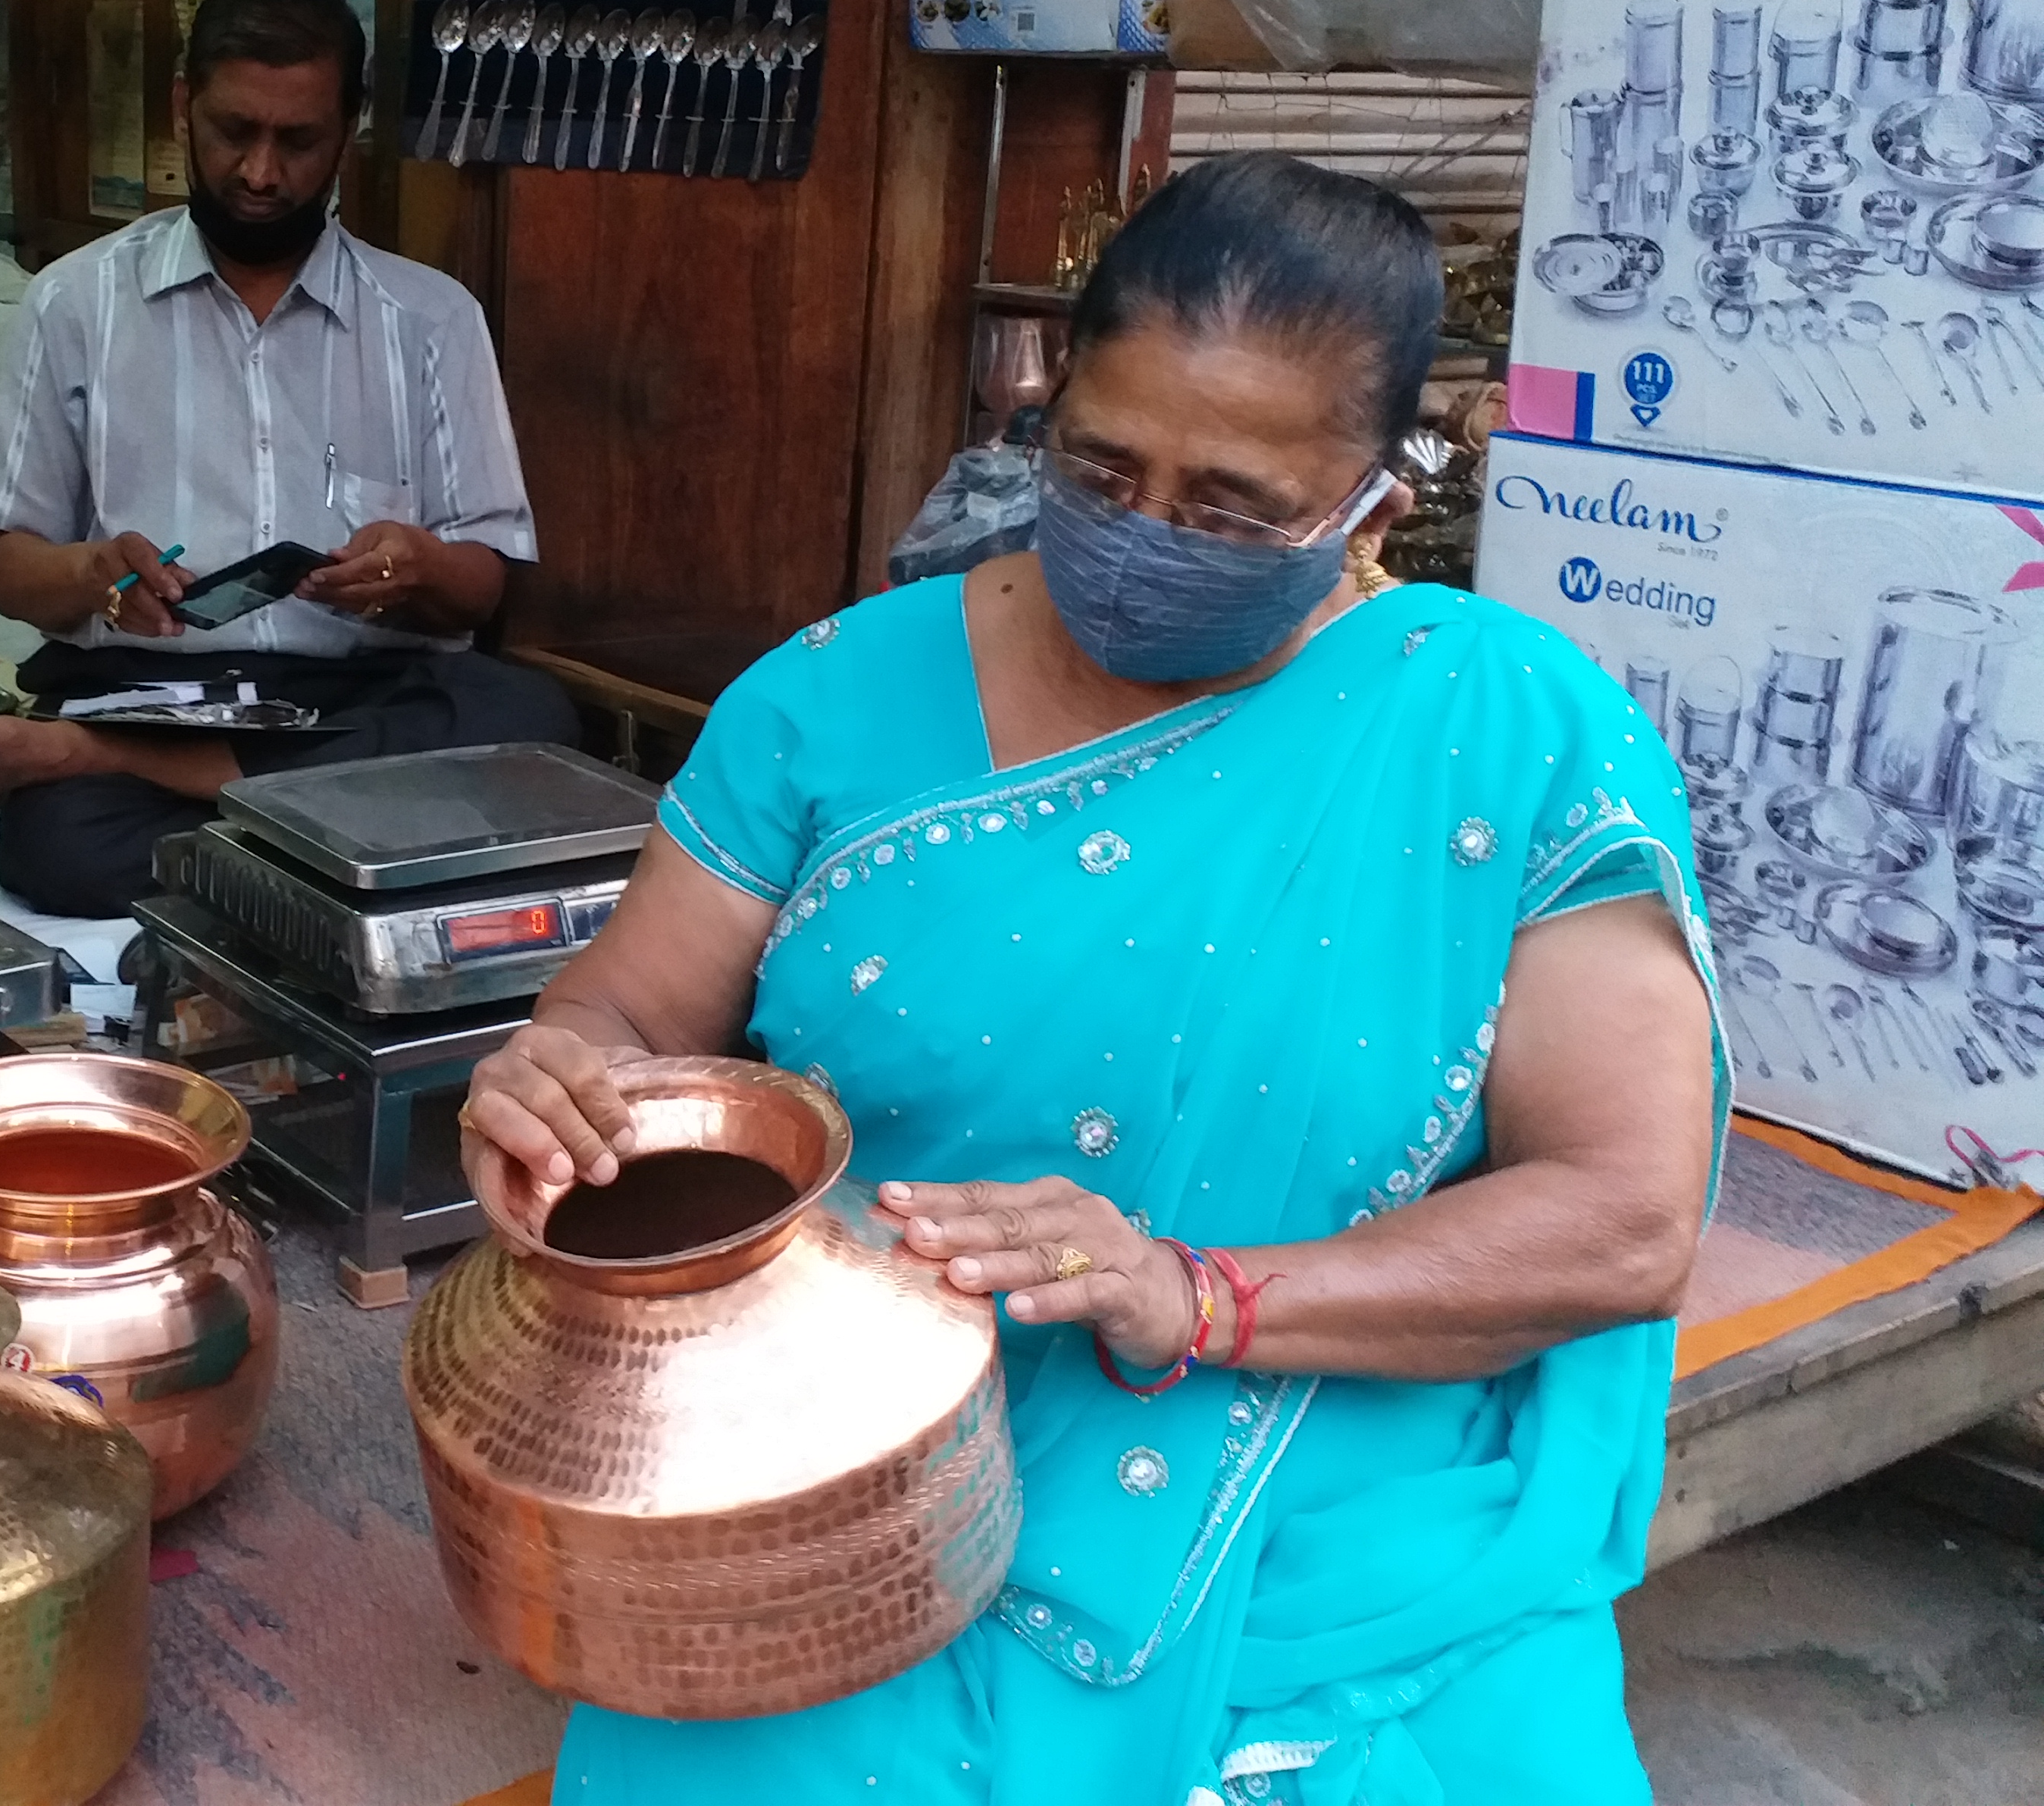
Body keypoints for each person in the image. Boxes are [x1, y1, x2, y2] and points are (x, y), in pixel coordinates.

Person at [460, 154, 1724, 1804]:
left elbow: (1625, 1214)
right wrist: (557, 1084)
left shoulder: (1507, 730)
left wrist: (1192, 1293)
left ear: (1370, 510)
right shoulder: (837, 696)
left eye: (1232, 510)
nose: (1144, 537)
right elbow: (627, 1020)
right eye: (1102, 469)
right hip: (843, 1485)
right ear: (1045, 413)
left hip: (1339, 1510)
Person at [0, 0, 578, 917]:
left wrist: (418, 569)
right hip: (153, 694)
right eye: (235, 131)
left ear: (350, 133)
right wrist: (95, 576)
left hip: (355, 690)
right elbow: (8, 566)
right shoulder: (75, 303)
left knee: (534, 721)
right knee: (57, 848)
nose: (262, 173)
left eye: (299, 140)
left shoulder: (430, 318)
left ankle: (170, 798)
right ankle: (332, 852)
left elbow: (482, 586)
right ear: (182, 107)